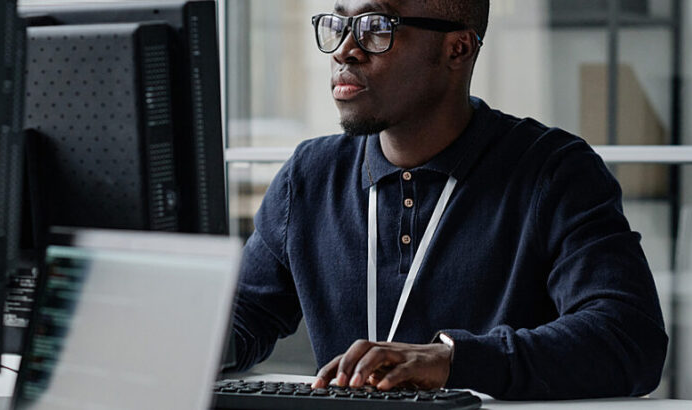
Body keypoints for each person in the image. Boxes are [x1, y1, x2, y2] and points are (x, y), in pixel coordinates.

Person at [228, 0, 668, 400]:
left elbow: (628, 337)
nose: (345, 49)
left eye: (375, 28)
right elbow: (241, 320)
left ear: (457, 50)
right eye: (338, 25)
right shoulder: (309, 175)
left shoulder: (553, 171)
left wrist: (454, 362)